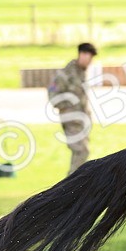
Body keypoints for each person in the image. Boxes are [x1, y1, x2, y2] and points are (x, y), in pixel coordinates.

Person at [48, 42, 97, 175]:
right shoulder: (66, 74)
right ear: (82, 54)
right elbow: (53, 96)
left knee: (81, 153)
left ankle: (72, 187)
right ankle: (70, 188)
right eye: (89, 57)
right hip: (72, 121)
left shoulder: (81, 73)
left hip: (81, 122)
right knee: (81, 152)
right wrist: (69, 110)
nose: (90, 61)